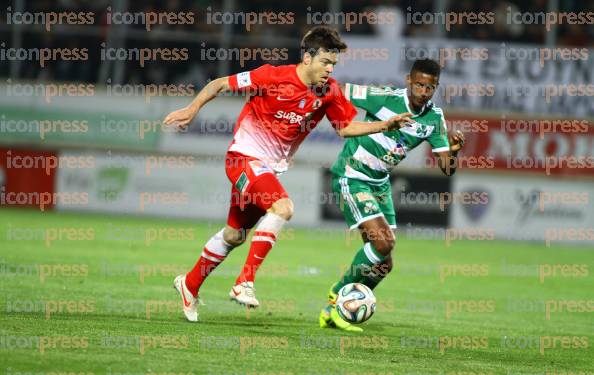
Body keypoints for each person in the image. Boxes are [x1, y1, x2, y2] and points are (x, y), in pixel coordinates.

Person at [163, 26, 412, 322]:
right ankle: (244, 282)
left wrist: (385, 125)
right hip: (243, 157)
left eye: (333, 64)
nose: (330, 69)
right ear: (307, 58)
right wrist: (192, 110)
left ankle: (189, 285)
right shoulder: (272, 76)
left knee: (234, 234)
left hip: (268, 168)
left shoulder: (329, 92)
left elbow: (346, 128)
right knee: (283, 208)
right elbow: (219, 84)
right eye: (325, 62)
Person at [319, 58, 465, 332]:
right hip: (352, 175)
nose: (424, 91)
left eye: (430, 87)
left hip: (380, 184)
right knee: (383, 243)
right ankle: (338, 294)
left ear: (436, 88)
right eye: (419, 84)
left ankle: (334, 312)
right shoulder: (383, 98)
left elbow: (447, 168)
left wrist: (454, 152)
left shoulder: (434, 119)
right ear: (409, 81)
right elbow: (336, 89)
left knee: (383, 264)